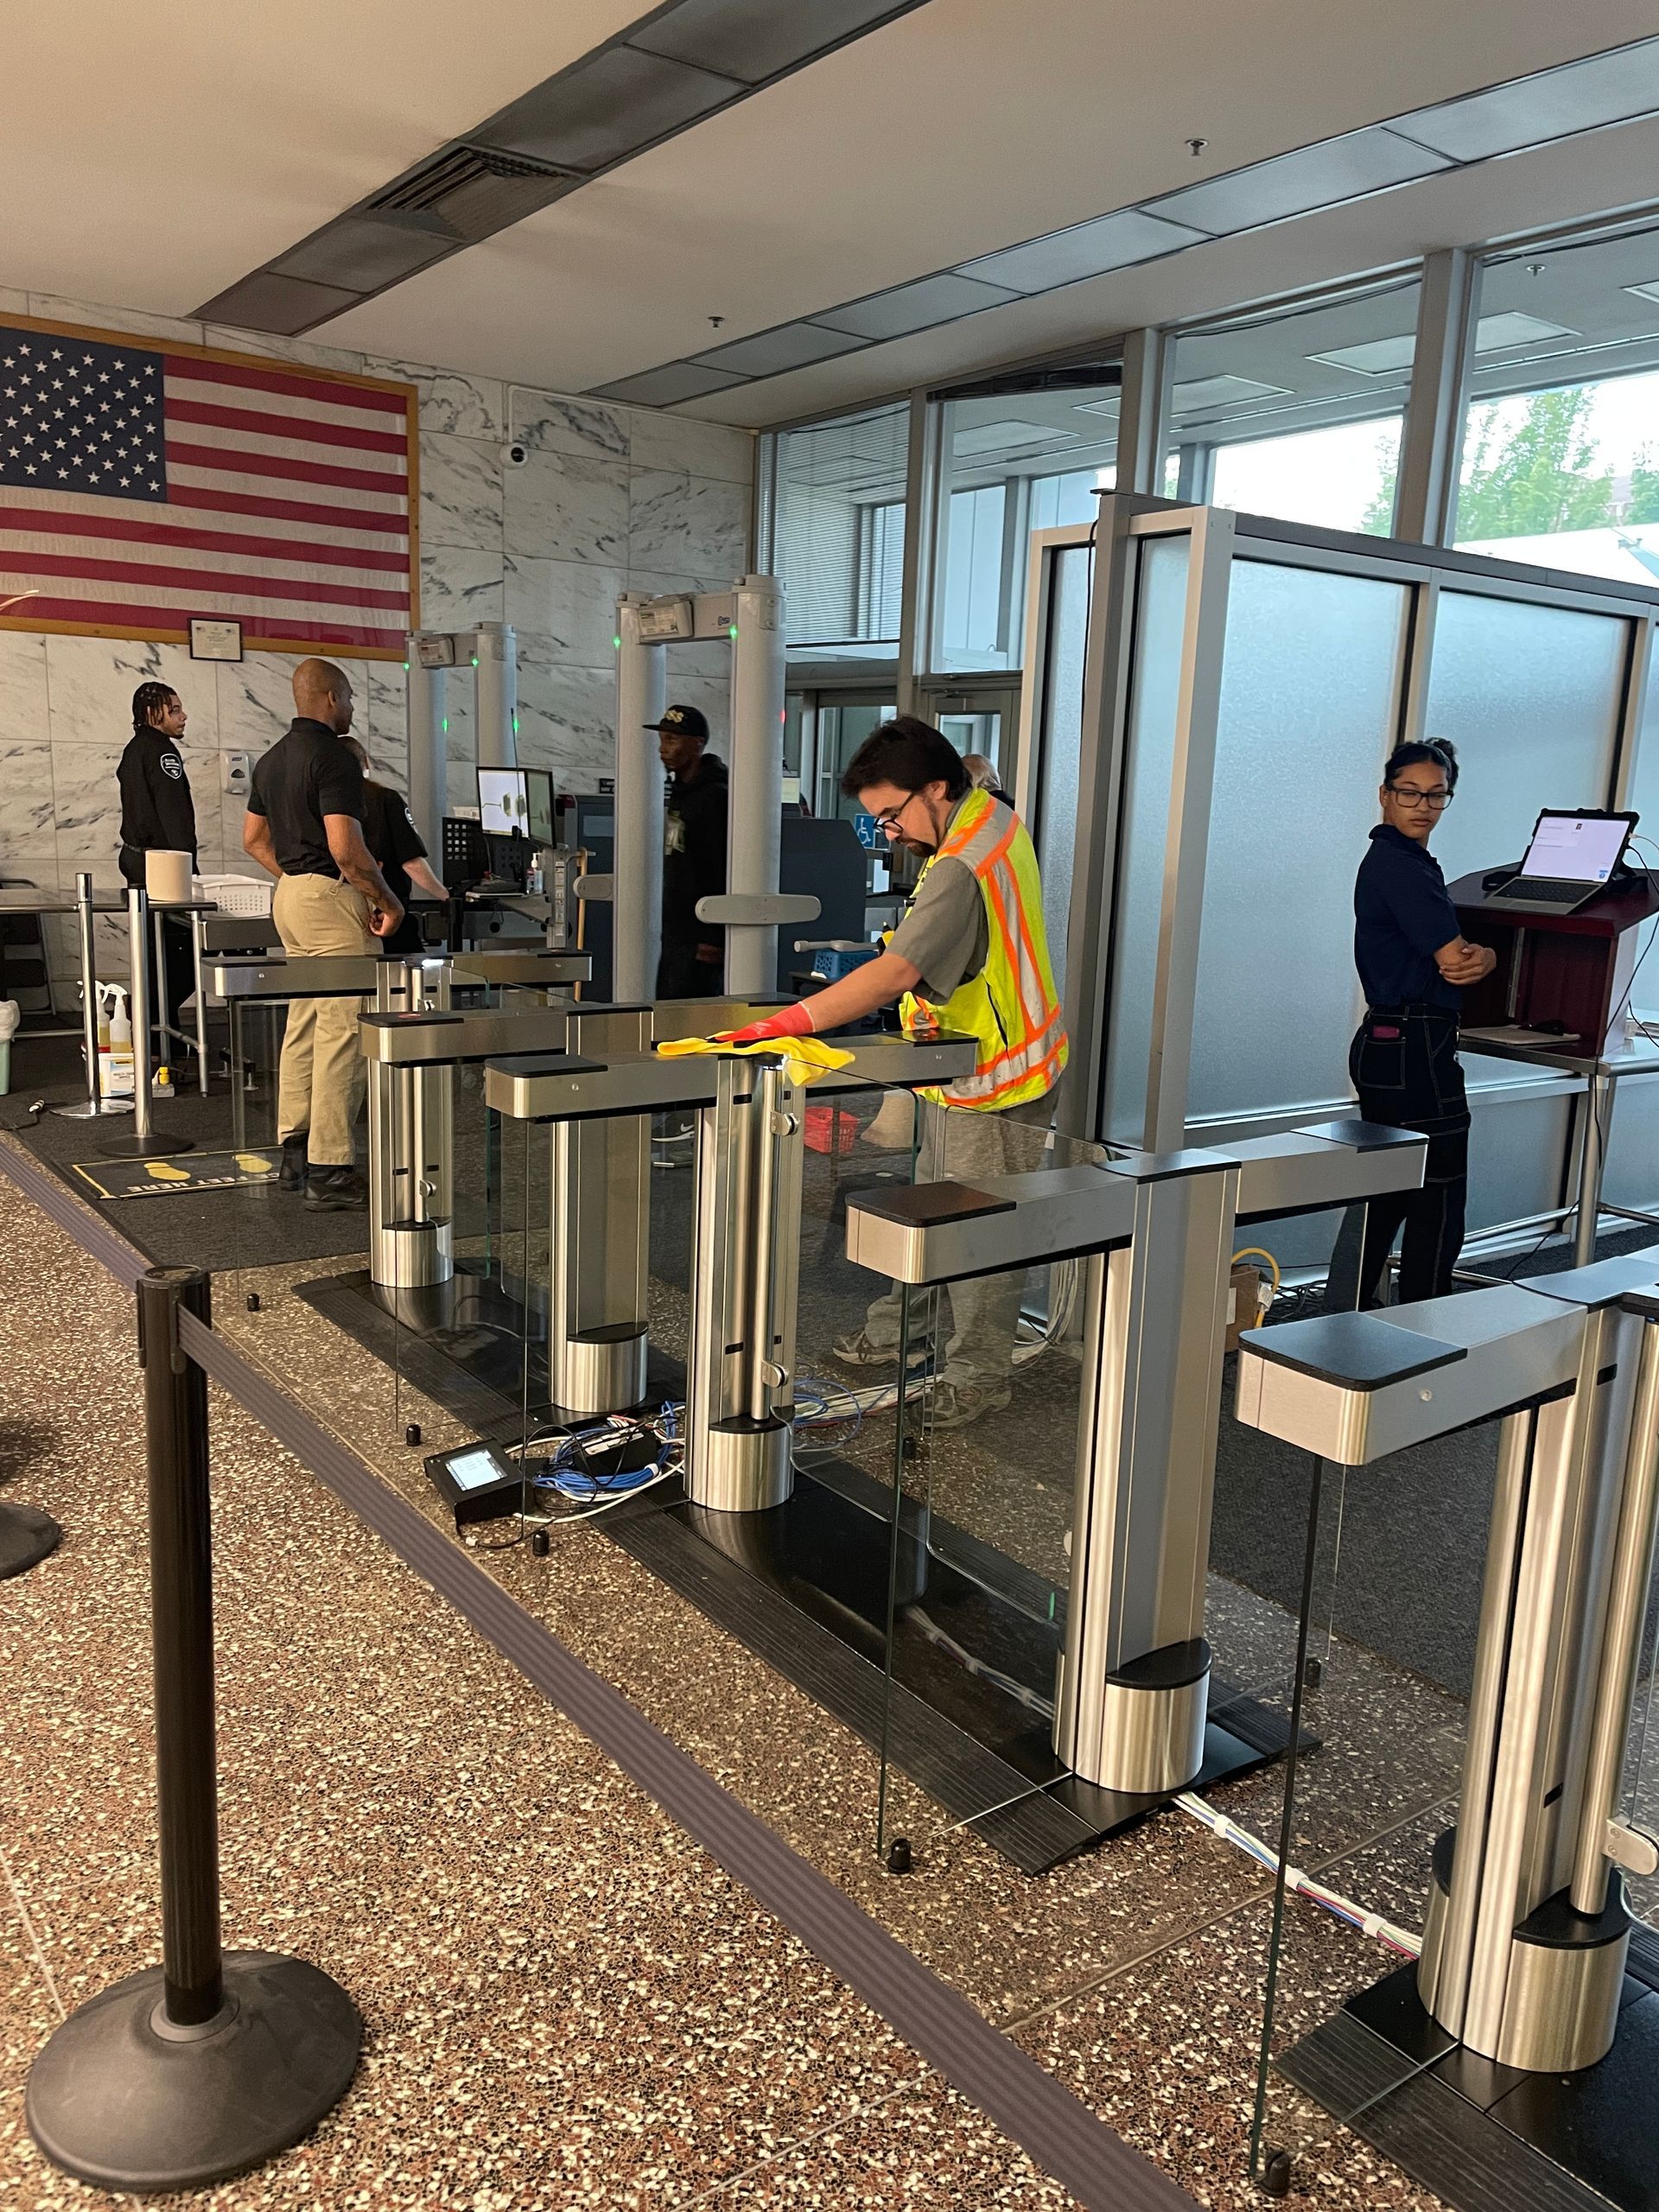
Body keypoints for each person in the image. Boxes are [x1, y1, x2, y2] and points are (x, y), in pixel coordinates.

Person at [721, 717, 1067, 1428]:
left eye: (891, 814)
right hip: (958, 1066)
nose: (889, 833)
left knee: (977, 1232)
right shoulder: (989, 810)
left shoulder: (961, 865)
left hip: (1000, 1074)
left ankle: (977, 1374)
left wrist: (789, 1022)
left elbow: (895, 972)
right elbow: (978, 763)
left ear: (935, 790)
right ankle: (900, 1331)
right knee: (931, 1209)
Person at [1340, 737, 1495, 1306]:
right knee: (1437, 1194)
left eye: (1437, 795)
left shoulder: (1390, 861)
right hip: (1414, 1046)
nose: (1423, 805)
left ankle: (1345, 1312)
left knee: (1386, 1190)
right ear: (1385, 795)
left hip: (1385, 1041)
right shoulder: (1403, 865)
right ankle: (1425, 1328)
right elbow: (1457, 964)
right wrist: (1494, 957)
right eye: (1410, 792)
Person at [243, 659, 402, 1209]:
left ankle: (295, 1148)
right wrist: (386, 898)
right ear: (332, 698)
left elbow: (253, 840)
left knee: (304, 1024)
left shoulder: (270, 760)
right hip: (330, 897)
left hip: (288, 897)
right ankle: (330, 1168)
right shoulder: (333, 756)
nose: (354, 707)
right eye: (352, 697)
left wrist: (295, 879)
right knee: (342, 1031)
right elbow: (346, 849)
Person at [117, 681, 198, 1050]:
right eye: (175, 710)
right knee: (186, 953)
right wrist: (189, 869)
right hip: (162, 865)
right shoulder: (163, 753)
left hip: (137, 857)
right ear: (154, 714)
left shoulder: (134, 750)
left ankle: (159, 1030)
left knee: (156, 951)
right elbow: (174, 816)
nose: (183, 716)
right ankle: (148, 1018)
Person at [341, 737, 449, 957]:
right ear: (366, 764)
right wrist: (446, 896)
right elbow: (411, 862)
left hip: (341, 909)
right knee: (413, 976)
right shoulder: (384, 799)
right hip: (387, 913)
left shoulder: (325, 803)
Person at [651, 704, 728, 997]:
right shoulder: (682, 790)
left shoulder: (714, 796)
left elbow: (719, 866)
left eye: (672, 740)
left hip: (701, 940)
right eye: (662, 740)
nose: (663, 749)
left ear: (696, 744)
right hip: (676, 935)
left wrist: (714, 935)